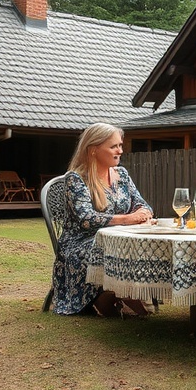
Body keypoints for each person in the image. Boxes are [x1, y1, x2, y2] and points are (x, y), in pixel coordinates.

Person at [53, 123, 153, 316]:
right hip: (81, 243)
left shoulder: (122, 175)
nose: (120, 151)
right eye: (114, 146)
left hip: (118, 237)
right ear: (93, 150)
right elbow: (86, 219)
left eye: (121, 145)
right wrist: (127, 219)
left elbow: (143, 205)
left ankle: (114, 295)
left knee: (138, 245)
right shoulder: (76, 179)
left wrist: (143, 214)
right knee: (118, 248)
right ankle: (125, 295)